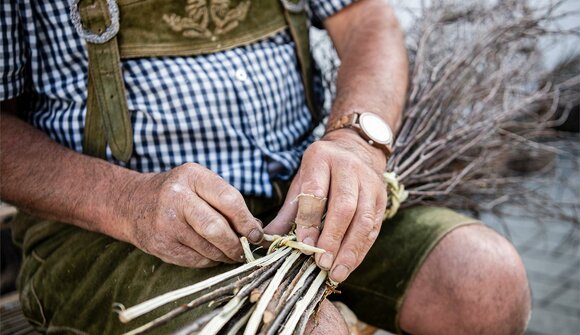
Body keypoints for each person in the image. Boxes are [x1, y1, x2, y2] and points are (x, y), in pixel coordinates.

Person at [0, 0, 531, 334]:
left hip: (303, 189)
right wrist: (124, 202)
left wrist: (356, 141)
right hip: (110, 225)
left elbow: (368, 16)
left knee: (485, 282)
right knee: (301, 328)